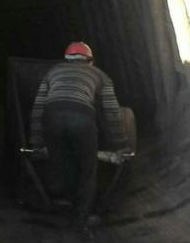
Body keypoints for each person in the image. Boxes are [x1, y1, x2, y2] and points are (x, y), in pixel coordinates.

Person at [29, 42, 127, 230]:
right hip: (82, 117)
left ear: (67, 59)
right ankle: (81, 218)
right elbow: (112, 112)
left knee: (59, 160)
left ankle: (59, 200)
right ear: (90, 60)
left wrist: (36, 142)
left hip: (52, 116)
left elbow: (38, 107)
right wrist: (120, 144)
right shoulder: (100, 75)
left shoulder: (53, 72)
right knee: (88, 169)